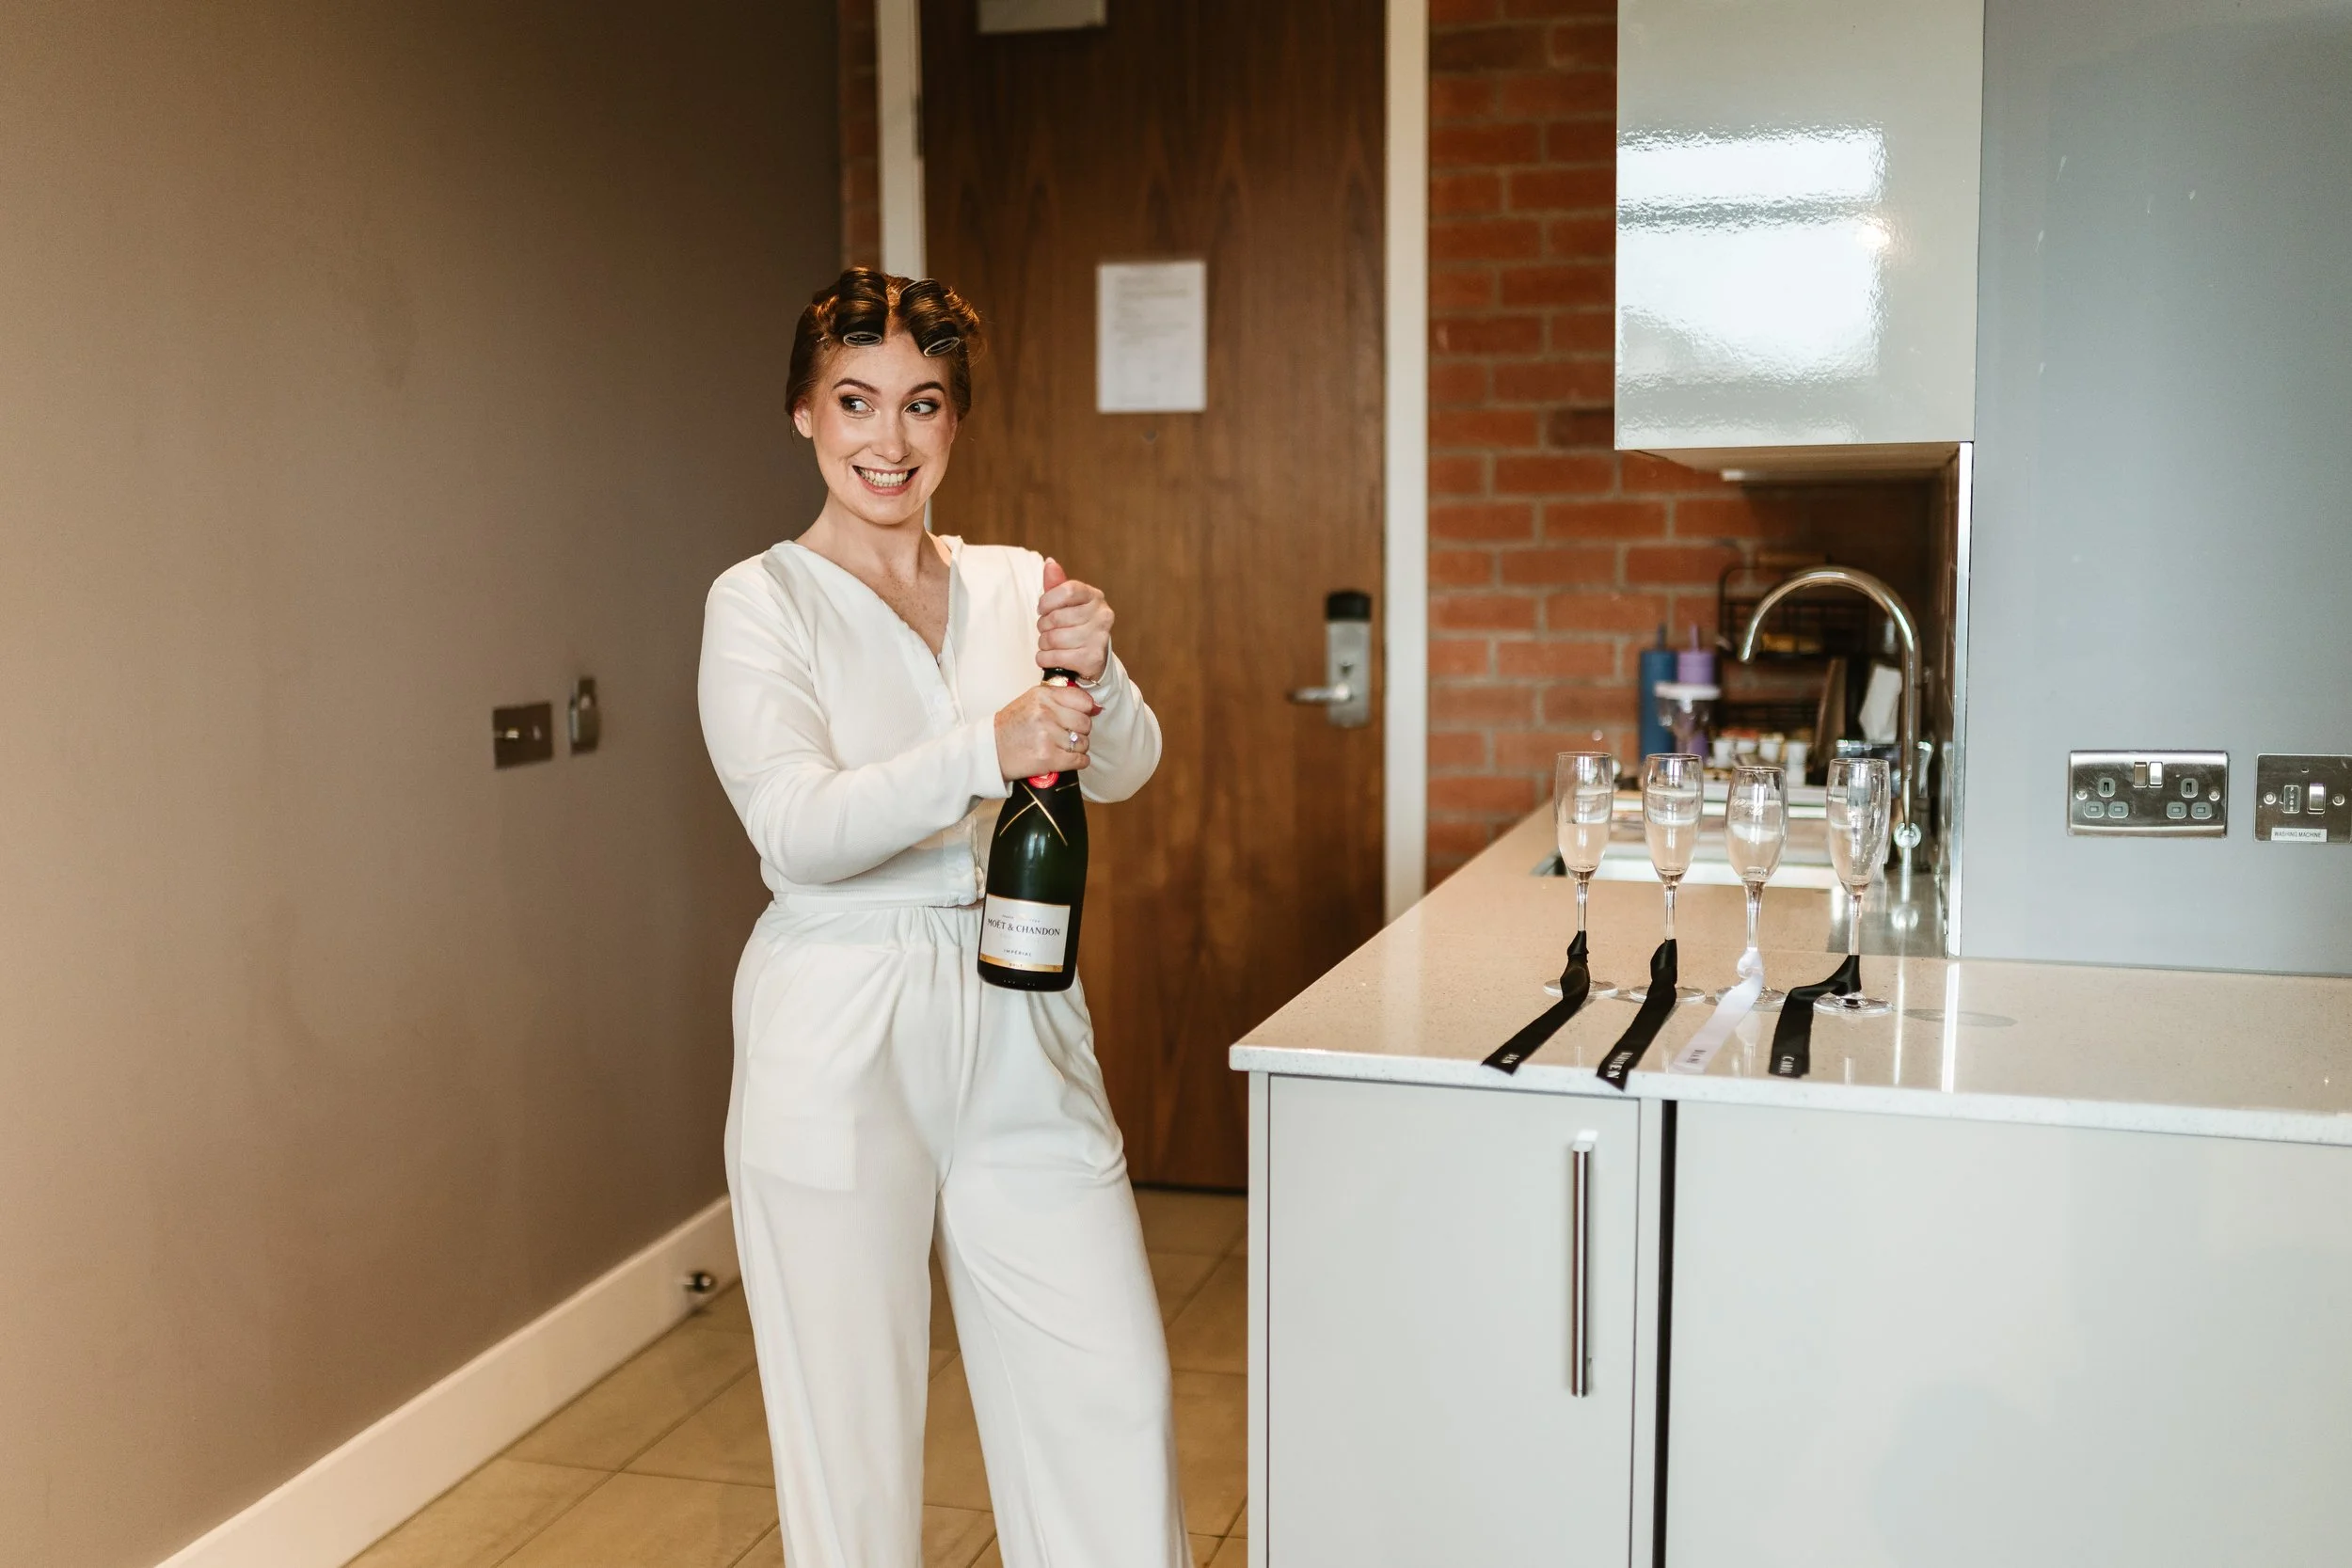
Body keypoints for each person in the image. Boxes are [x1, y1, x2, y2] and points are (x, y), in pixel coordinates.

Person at [696, 268, 1186, 1568]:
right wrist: (986, 747)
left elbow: (1123, 766)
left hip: (1021, 997)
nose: (890, 438)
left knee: (1112, 1392)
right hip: (839, 1009)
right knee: (851, 1434)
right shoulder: (759, 602)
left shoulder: (1017, 582)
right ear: (804, 412)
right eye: (856, 400)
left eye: (922, 403)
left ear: (955, 422)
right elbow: (796, 828)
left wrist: (1096, 665)